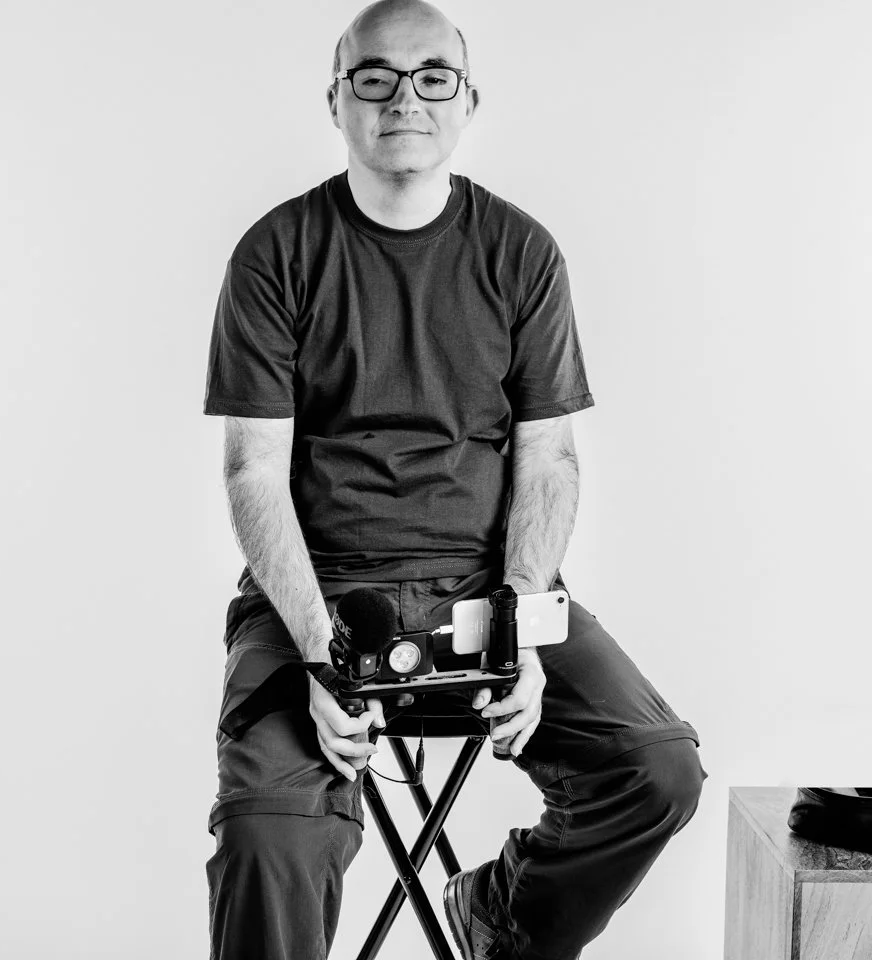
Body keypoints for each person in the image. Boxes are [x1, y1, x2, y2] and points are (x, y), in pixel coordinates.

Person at [201, 2, 706, 957]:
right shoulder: (276, 253)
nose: (406, 99)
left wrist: (522, 624)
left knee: (656, 769)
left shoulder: (521, 251)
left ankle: (501, 917)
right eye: (375, 77)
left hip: (486, 589)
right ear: (336, 100)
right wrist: (316, 656)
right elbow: (253, 471)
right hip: (316, 595)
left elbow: (549, 458)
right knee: (270, 837)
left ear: (468, 99)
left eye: (434, 76)